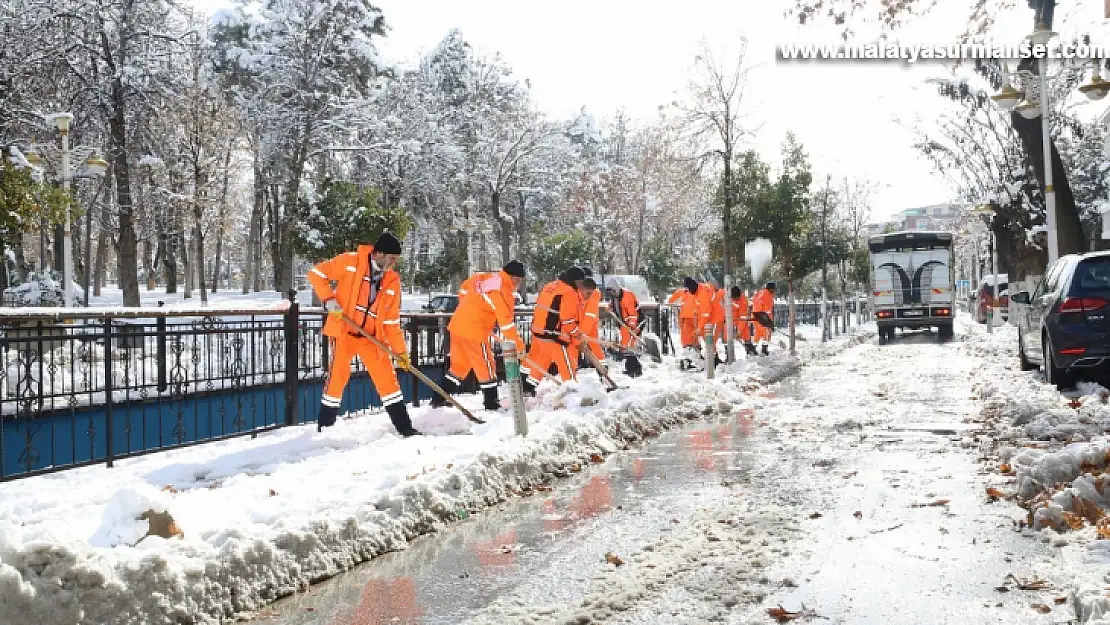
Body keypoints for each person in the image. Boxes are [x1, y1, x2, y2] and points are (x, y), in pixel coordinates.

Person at [307, 232, 419, 437]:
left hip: (372, 338)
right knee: (337, 378)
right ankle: (325, 429)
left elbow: (392, 322)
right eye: (392, 258)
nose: (393, 263)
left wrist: (401, 352)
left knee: (388, 380)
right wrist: (329, 299)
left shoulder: (392, 281)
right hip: (346, 332)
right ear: (379, 253)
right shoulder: (350, 262)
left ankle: (405, 428)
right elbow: (316, 273)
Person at [434, 260, 527, 411]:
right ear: (515, 278)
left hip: (458, 326)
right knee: (487, 366)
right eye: (519, 280)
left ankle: (439, 398)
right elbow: (506, 324)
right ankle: (491, 404)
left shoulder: (483, 277)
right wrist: (519, 346)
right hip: (475, 332)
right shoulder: (503, 291)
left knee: (459, 366)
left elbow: (463, 291)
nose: (519, 284)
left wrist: (473, 310)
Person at [523, 266, 585, 392]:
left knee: (542, 361)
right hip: (554, 334)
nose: (581, 285)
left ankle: (528, 387)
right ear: (574, 280)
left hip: (540, 331)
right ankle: (572, 390)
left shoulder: (550, 286)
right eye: (580, 281)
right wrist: (575, 333)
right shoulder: (569, 292)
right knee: (566, 365)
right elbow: (567, 318)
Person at [606, 281, 643, 377]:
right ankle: (631, 368)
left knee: (628, 346)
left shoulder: (627, 296)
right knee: (625, 345)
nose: (611, 294)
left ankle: (635, 369)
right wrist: (610, 307)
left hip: (635, 322)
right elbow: (615, 305)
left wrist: (632, 325)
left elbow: (633, 313)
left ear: (616, 289)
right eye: (610, 292)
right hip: (625, 324)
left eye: (612, 291)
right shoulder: (615, 296)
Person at [667, 277, 703, 369]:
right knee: (688, 340)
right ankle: (690, 359)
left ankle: (695, 358)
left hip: (693, 318)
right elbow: (670, 301)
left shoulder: (693, 292)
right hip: (687, 319)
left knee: (692, 339)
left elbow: (671, 301)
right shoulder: (682, 292)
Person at [576, 275, 605, 366]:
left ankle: (602, 365)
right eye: (588, 293)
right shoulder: (575, 293)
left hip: (589, 324)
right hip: (579, 324)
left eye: (590, 293)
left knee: (594, 343)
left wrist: (583, 333)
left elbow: (590, 315)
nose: (589, 295)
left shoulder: (593, 295)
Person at [752, 281, 776, 356]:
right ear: (771, 289)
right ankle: (764, 350)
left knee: (758, 333)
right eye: (774, 289)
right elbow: (766, 310)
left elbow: (754, 301)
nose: (774, 290)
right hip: (762, 317)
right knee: (766, 332)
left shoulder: (760, 293)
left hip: (756, 316)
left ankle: (753, 349)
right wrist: (769, 322)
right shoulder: (767, 295)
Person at [731, 286, 756, 356]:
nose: (736, 299)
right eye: (735, 298)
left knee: (746, 334)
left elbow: (743, 318)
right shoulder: (726, 297)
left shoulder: (744, 300)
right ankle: (729, 355)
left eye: (737, 298)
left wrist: (738, 332)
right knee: (727, 338)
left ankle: (750, 351)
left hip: (740, 321)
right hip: (729, 321)